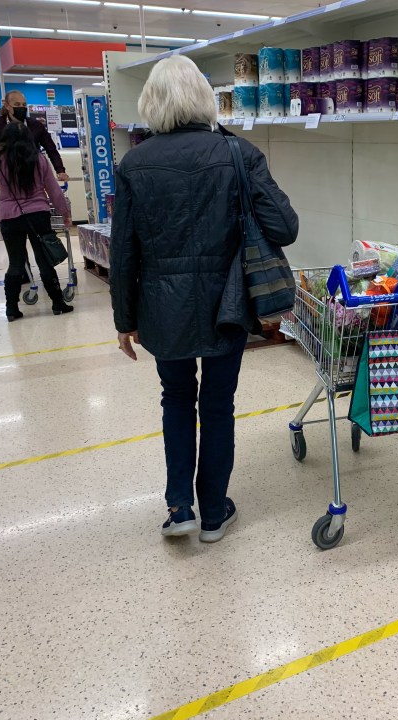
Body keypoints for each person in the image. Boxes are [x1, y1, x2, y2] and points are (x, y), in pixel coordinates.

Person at [110, 56, 298, 542]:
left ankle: (179, 509)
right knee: (218, 405)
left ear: (151, 102)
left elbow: (124, 250)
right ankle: (214, 512)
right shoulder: (238, 154)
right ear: (204, 99)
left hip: (160, 306)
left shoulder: (133, 163)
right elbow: (285, 227)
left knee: (175, 398)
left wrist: (123, 319)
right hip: (228, 304)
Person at [0, 123, 73, 321]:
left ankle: (11, 309)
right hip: (38, 215)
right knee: (45, 262)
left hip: (9, 216)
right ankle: (58, 303)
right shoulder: (39, 160)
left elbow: (1, 187)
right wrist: (65, 213)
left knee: (16, 264)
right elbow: (53, 190)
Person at [0, 91, 68, 181]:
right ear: (7, 106)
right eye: (17, 105)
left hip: (33, 173)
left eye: (24, 104)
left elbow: (51, 149)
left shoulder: (36, 125)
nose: (21, 107)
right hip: (7, 176)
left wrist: (60, 170)